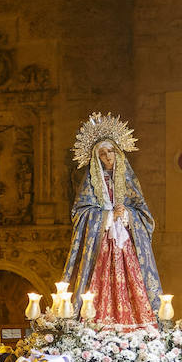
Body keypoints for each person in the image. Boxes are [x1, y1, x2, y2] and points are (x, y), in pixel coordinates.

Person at [62, 113, 160, 324]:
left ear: (118, 152)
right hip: (101, 244)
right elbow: (79, 213)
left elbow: (145, 215)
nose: (107, 156)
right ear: (96, 159)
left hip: (125, 244)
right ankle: (96, 323)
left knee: (131, 281)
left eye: (111, 151)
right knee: (99, 283)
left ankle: (135, 323)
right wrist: (106, 216)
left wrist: (126, 215)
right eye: (102, 153)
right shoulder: (90, 183)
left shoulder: (129, 181)